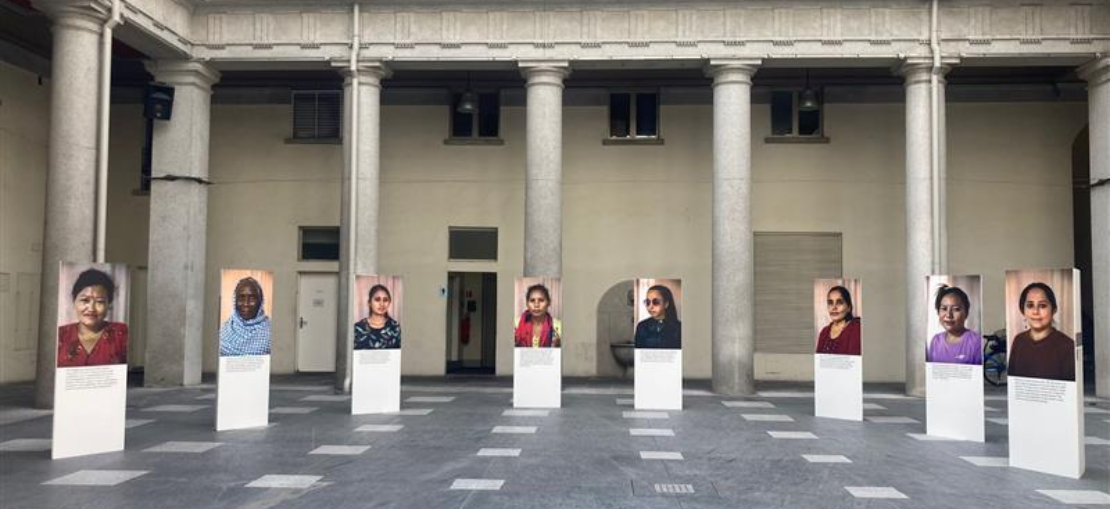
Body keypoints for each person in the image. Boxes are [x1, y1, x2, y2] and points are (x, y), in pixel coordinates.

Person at [57, 268, 128, 367]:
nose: (91, 308)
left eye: (100, 301)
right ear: (74, 301)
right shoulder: (59, 335)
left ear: (109, 304)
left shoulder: (122, 334)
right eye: (85, 300)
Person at [1008, 282, 1075, 381]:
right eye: (1030, 305)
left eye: (1042, 306)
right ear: (1023, 311)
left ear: (1054, 310)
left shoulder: (1067, 345)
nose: (1035, 312)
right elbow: (1012, 379)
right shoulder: (1018, 340)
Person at [926, 285, 983, 364]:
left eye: (956, 309)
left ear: (966, 313)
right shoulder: (935, 340)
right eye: (944, 309)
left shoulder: (977, 342)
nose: (949, 315)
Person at [219, 276, 271, 356]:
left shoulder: (270, 332)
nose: (246, 304)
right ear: (235, 301)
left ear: (260, 302)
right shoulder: (224, 330)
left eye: (252, 298)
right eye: (241, 298)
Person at [815, 285, 861, 355]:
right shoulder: (824, 332)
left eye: (839, 302)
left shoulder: (857, 328)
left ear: (849, 307)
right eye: (830, 303)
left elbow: (852, 363)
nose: (834, 307)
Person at [354, 284, 401, 349]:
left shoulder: (396, 328)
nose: (382, 304)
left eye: (385, 300)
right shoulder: (357, 329)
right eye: (377, 299)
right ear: (369, 303)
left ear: (389, 303)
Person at [634, 284, 681, 349]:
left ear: (666, 304)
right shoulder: (641, 326)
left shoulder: (678, 327)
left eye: (656, 301)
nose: (650, 307)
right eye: (648, 302)